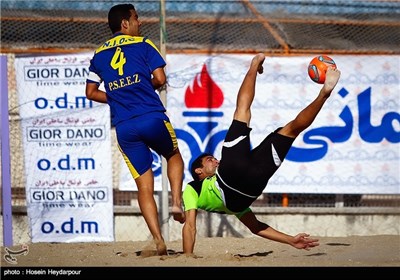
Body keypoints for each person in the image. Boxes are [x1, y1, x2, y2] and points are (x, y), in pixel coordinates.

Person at [182, 53, 341, 255]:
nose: (214, 159)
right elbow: (190, 226)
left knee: (291, 129)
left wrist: (290, 241)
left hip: (250, 188)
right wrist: (186, 257)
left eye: (213, 157)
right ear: (198, 171)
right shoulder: (192, 189)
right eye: (209, 160)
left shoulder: (235, 208)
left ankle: (324, 93)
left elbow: (256, 226)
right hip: (233, 177)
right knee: (242, 111)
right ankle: (254, 65)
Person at [85, 3, 185, 256]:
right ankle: (176, 202)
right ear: (125, 24)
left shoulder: (98, 54)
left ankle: (158, 239)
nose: (140, 23)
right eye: (137, 18)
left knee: (144, 187)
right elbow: (160, 79)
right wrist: (144, 87)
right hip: (151, 117)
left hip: (125, 127)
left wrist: (118, 97)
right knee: (173, 155)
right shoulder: (144, 44)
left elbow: (90, 92)